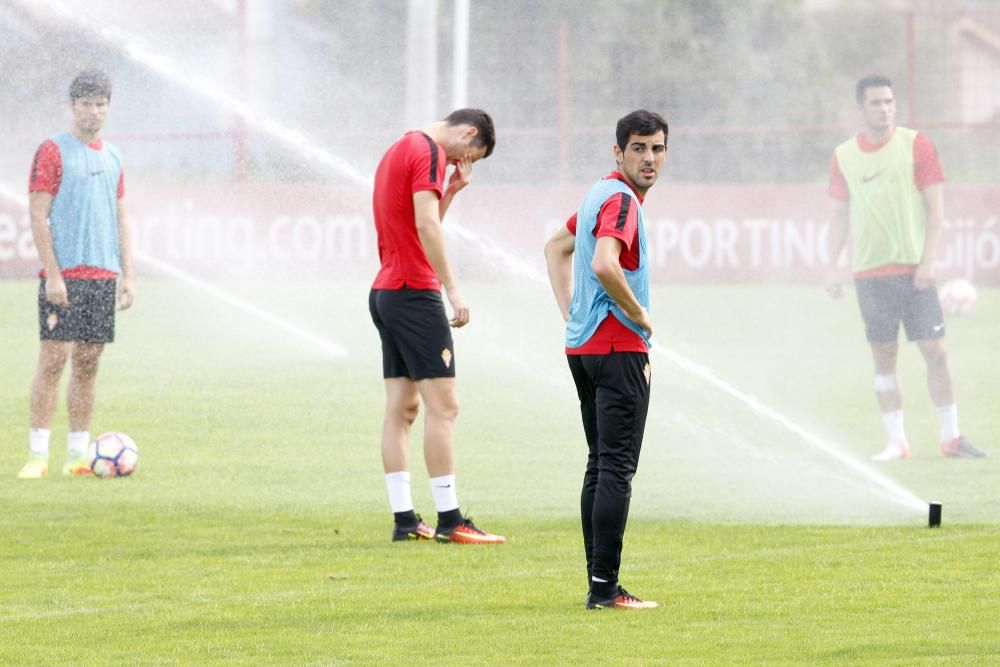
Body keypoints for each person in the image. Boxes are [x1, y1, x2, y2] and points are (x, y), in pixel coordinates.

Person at [544, 109, 669, 610]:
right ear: (618, 151)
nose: (649, 158)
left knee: (599, 465)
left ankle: (599, 584)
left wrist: (572, 315)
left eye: (657, 148)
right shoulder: (621, 200)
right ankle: (605, 590)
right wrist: (639, 313)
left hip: (585, 349)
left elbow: (555, 248)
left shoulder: (598, 192)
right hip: (618, 349)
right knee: (616, 468)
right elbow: (603, 262)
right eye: (638, 148)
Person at [825, 74, 986, 461]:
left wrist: (928, 261)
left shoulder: (916, 145)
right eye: (877, 103)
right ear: (860, 109)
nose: (885, 108)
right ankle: (896, 443)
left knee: (936, 352)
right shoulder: (844, 156)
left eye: (889, 102)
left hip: (915, 272)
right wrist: (831, 266)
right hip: (869, 274)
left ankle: (951, 438)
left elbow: (937, 210)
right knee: (884, 359)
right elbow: (838, 216)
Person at [369, 108, 506, 544]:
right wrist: (453, 289)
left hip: (387, 292)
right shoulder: (428, 150)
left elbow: (418, 223)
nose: (461, 163)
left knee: (403, 409)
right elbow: (426, 226)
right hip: (413, 291)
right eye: (470, 155)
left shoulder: (400, 147)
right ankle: (451, 519)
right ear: (468, 133)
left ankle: (405, 520)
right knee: (444, 408)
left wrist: (450, 192)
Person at [18, 69, 135, 479]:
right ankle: (37, 456)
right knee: (53, 359)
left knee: (88, 362)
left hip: (102, 274)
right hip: (64, 275)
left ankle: (77, 457)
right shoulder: (52, 150)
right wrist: (52, 274)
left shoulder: (115, 156)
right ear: (73, 106)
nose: (94, 112)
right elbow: (38, 213)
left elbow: (121, 217)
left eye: (101, 104)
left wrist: (128, 274)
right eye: (87, 104)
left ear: (108, 107)